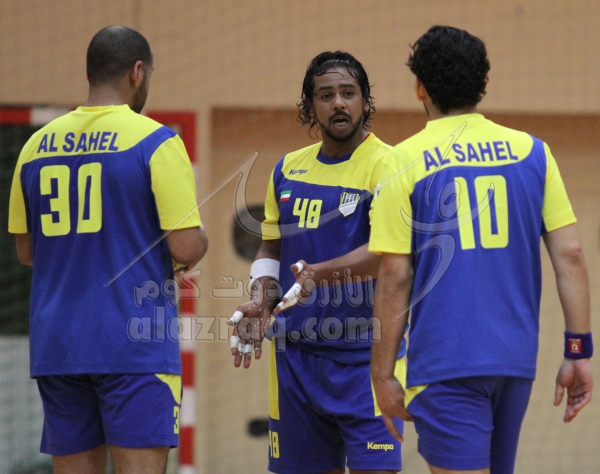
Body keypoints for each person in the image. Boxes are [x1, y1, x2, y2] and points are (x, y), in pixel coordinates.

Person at [369, 25, 593, 474]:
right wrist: (578, 350)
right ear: (484, 82)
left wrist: (383, 372)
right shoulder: (534, 152)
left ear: (419, 87)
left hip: (445, 363)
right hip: (514, 362)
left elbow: (395, 276)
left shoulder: (401, 160)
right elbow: (570, 255)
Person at [8, 25, 208, 474]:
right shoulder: (156, 141)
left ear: (90, 72)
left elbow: (26, 252)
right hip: (133, 343)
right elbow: (185, 245)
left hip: (58, 346)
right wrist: (200, 240)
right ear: (138, 72)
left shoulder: (35, 147)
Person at [229, 51, 406, 474]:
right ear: (311, 106)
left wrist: (318, 275)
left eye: (348, 93)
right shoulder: (287, 170)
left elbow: (386, 252)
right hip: (295, 359)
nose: (338, 103)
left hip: (366, 358)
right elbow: (270, 249)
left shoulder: (389, 165)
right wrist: (261, 301)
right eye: (326, 95)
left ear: (365, 100)